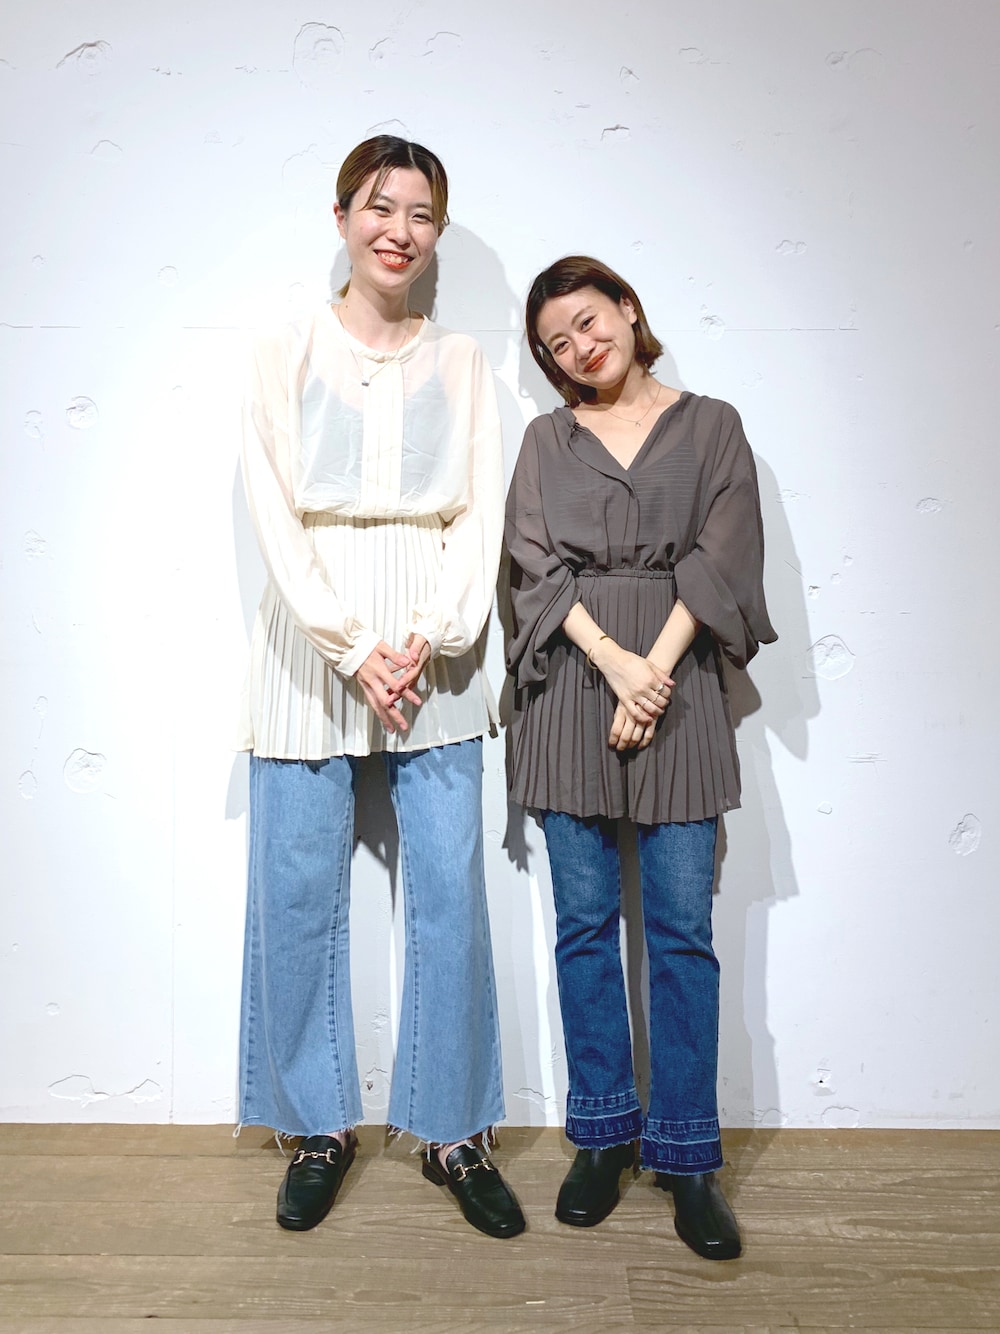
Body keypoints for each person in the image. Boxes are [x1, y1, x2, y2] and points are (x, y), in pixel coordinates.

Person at [237, 135, 524, 1239]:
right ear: (342, 216)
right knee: (295, 889)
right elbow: (274, 507)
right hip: (309, 640)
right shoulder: (285, 347)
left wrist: (431, 635)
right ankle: (318, 1125)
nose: (398, 230)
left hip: (432, 640)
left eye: (420, 213)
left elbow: (480, 512)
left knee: (449, 887)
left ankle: (453, 1128)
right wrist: (351, 645)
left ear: (436, 232)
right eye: (379, 206)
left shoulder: (462, 362)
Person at [504, 255, 776, 1259]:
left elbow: (721, 555)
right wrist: (617, 665)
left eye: (588, 320)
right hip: (571, 692)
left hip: (679, 691)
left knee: (680, 933)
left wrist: (652, 671)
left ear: (627, 308)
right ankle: (603, 1135)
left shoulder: (712, 426)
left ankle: (688, 1154)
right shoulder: (545, 440)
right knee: (583, 928)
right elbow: (532, 565)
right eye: (557, 343)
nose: (580, 347)